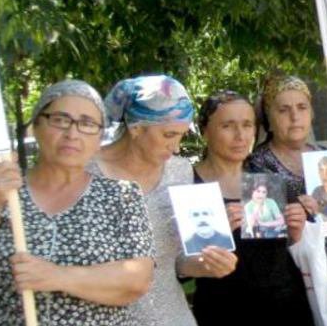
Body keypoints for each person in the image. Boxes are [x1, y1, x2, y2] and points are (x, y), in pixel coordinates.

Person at [0, 80, 155, 325]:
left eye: (87, 124)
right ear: (35, 126)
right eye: (60, 119)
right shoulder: (3, 192)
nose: (72, 133)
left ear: (99, 137)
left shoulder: (121, 196)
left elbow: (137, 280)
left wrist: (56, 276)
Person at [91, 75, 237, 326]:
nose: (177, 147)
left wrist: (208, 264)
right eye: (169, 134)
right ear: (136, 127)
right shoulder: (86, 171)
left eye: (181, 135)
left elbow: (178, 260)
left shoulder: (179, 171)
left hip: (172, 317)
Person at [188, 90, 315, 326]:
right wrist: (216, 232)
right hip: (225, 311)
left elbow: (281, 249)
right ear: (205, 130)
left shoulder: (265, 178)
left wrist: (295, 231)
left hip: (287, 308)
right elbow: (178, 265)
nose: (240, 135)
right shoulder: (191, 184)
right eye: (228, 125)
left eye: (247, 125)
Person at [248, 74, 327, 273]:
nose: (295, 117)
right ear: (269, 119)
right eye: (284, 110)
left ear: (311, 113)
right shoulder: (257, 164)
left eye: (302, 107)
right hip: (299, 279)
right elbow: (263, 240)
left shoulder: (326, 156)